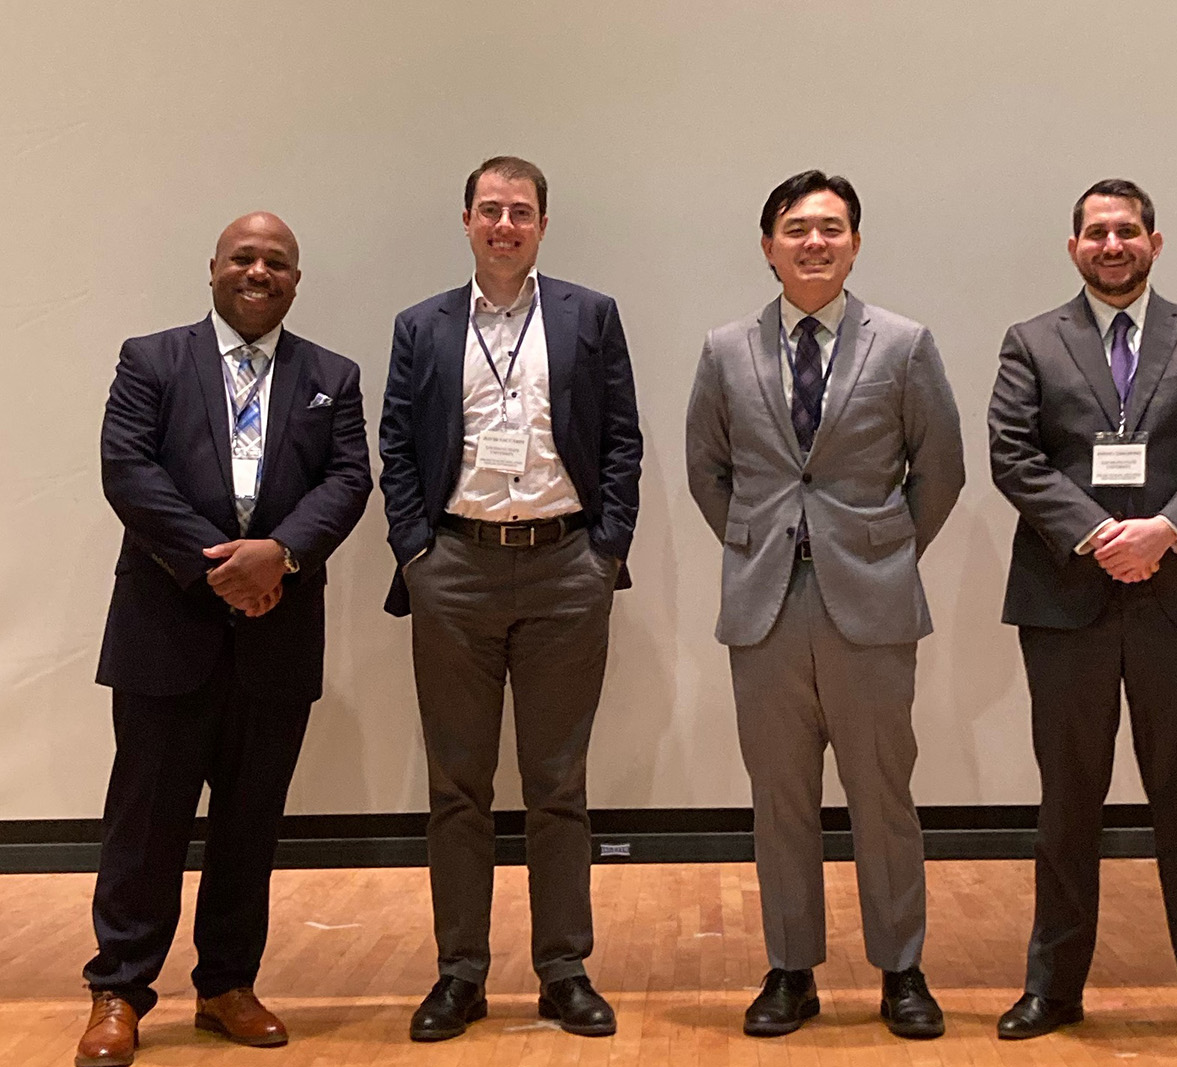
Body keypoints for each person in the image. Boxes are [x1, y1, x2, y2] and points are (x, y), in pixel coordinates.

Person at [988, 179, 1177, 1044]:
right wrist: (1096, 535)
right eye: (1095, 233)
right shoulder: (1031, 342)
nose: (1111, 245)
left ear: (1156, 241)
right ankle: (1054, 986)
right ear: (1072, 246)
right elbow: (1013, 454)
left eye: (1126, 231)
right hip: (1066, 600)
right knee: (1066, 801)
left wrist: (1165, 531)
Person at [80, 213, 371, 1067]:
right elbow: (126, 467)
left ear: (296, 279)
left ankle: (228, 986)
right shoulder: (152, 360)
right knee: (146, 823)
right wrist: (220, 566)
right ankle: (119, 989)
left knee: (251, 822)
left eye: (277, 261)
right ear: (211, 268)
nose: (259, 271)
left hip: (276, 633)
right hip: (166, 628)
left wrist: (279, 553)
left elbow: (350, 478)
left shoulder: (332, 376)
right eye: (243, 257)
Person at [685, 170, 965, 1039]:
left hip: (871, 603)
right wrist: (758, 540)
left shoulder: (905, 345)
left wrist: (882, 547)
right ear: (767, 246)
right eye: (797, 228)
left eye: (832, 228)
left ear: (855, 243)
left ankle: (903, 971)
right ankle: (790, 969)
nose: (815, 242)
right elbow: (708, 470)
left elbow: (942, 469)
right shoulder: (725, 348)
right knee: (781, 797)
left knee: (884, 794)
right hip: (765, 603)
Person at [378, 156, 643, 1041]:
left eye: (520, 211)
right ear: (464, 221)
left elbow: (622, 440)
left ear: (541, 224)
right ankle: (460, 972)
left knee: (557, 782)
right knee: (458, 785)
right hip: (454, 567)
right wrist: (415, 551)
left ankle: (564, 968)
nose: (504, 224)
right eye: (489, 210)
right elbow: (396, 447)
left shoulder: (589, 315)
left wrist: (605, 552)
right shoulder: (421, 325)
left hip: (567, 564)